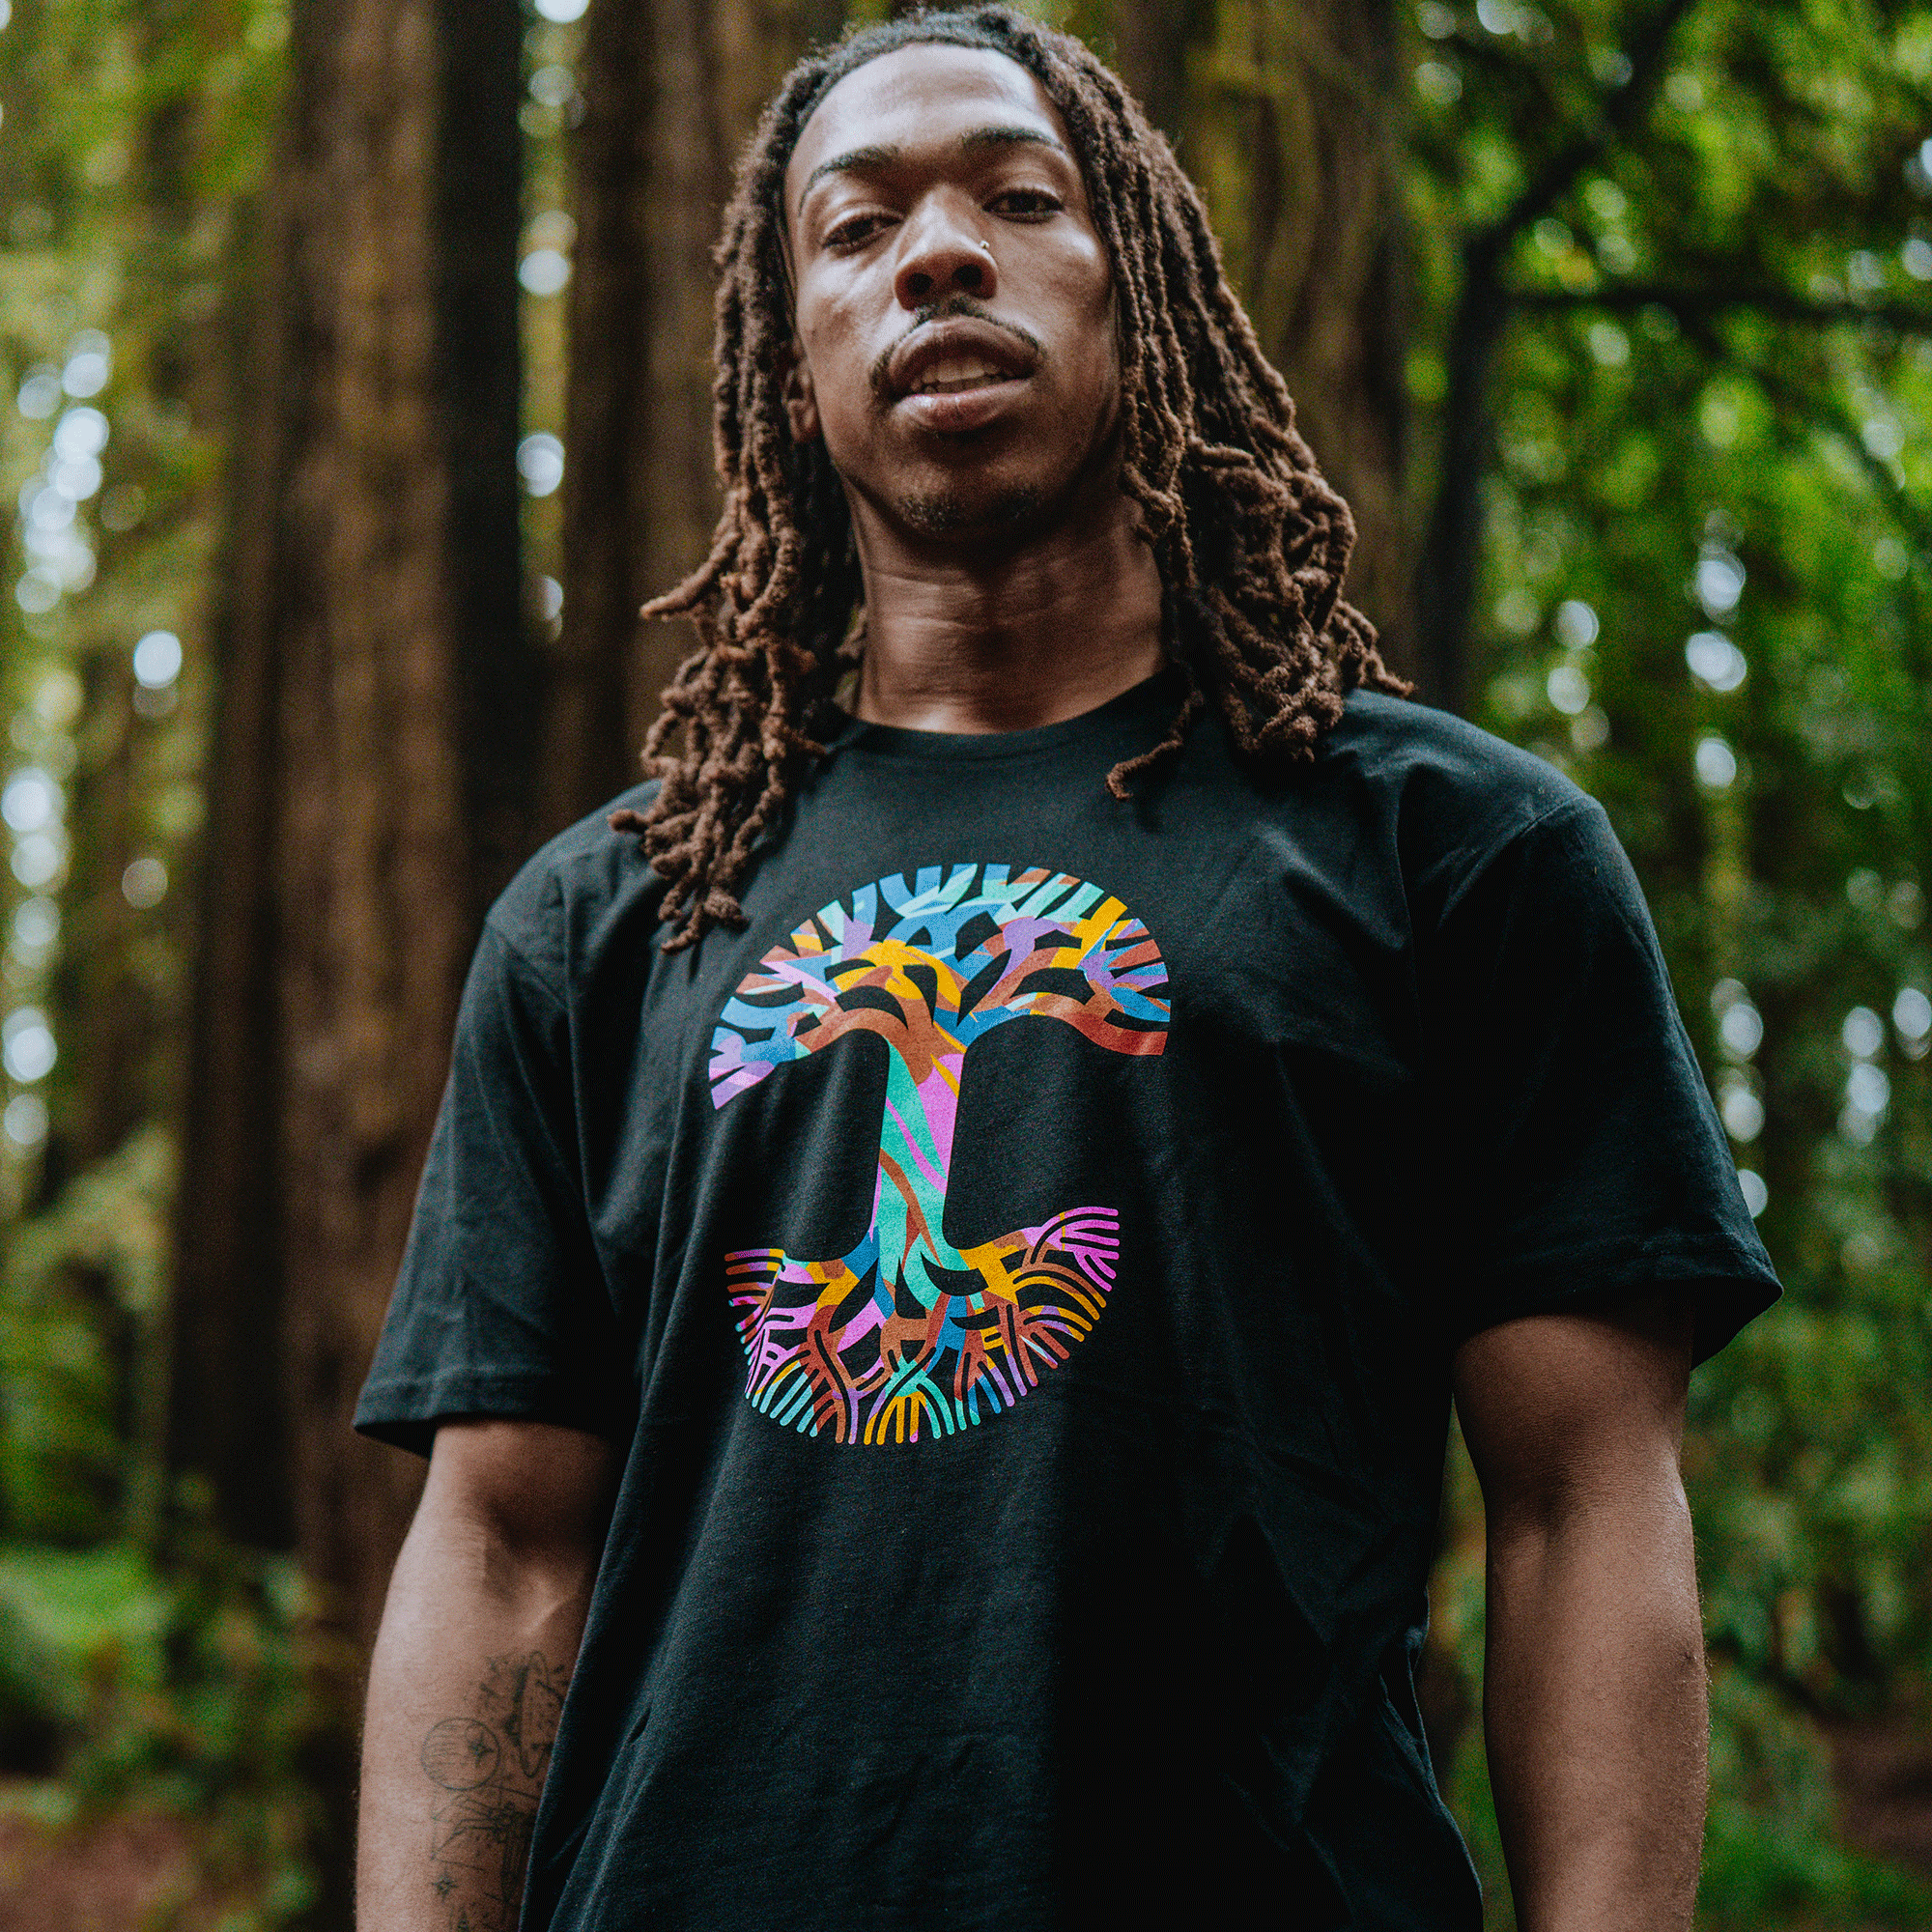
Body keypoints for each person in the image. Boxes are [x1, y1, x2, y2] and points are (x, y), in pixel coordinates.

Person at [354, 10, 1780, 1929]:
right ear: (787, 368)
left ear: (1146, 302)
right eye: (852, 230)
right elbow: (506, 1547)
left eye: (1019, 199)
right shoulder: (611, 916)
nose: (937, 252)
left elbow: (1580, 1509)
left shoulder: (1450, 855)